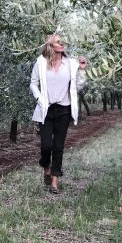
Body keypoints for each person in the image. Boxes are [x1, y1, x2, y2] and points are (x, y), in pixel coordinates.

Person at [30, 33, 87, 194]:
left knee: (58, 146)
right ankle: (45, 166)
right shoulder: (41, 62)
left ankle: (54, 182)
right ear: (50, 45)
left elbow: (79, 87)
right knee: (46, 146)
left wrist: (82, 71)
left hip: (64, 110)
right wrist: (39, 98)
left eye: (62, 42)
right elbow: (33, 83)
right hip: (46, 109)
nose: (62, 44)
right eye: (58, 42)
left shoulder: (71, 64)